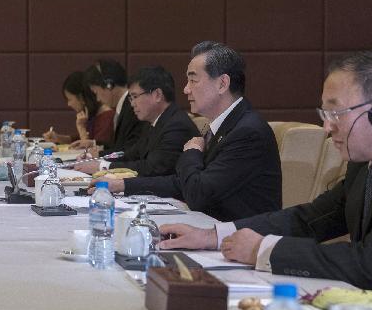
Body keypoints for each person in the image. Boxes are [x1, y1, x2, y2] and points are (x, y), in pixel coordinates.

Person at [160, 51, 372, 297]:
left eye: (336, 113)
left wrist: (265, 250)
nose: (327, 127)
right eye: (325, 115)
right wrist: (213, 236)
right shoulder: (362, 166)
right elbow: (310, 219)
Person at [94, 42, 281, 221]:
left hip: (241, 237)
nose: (185, 89)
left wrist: (192, 152)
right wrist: (122, 185)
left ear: (222, 84)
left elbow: (198, 193)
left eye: (193, 80)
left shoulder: (247, 132)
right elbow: (182, 182)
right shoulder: (224, 124)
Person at [75, 66, 199, 177]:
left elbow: (152, 168)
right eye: (130, 98)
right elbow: (131, 154)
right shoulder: (155, 122)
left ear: (157, 95)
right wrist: (96, 159)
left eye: (135, 97)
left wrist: (103, 166)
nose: (132, 104)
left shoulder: (176, 126)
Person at [85, 59, 146, 153]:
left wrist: (100, 154)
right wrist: (95, 144)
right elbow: (121, 145)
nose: (98, 99)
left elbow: (130, 149)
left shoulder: (133, 108)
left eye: (96, 92)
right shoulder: (124, 107)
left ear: (109, 85)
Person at [42, 71, 114, 148]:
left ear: (81, 97)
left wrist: (81, 127)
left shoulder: (107, 117)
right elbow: (79, 140)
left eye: (69, 99)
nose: (69, 104)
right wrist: (59, 138)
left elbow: (92, 150)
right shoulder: (94, 114)